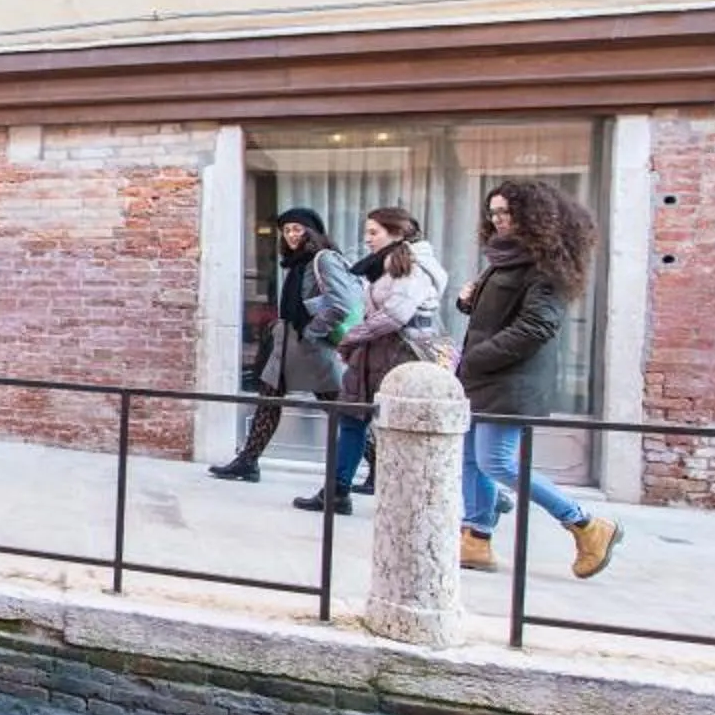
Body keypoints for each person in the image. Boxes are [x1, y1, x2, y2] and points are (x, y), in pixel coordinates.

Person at [456, 179, 621, 578]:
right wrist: (467, 301)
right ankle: (476, 537)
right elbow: (501, 316)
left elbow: (536, 327)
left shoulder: (545, 266)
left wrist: (476, 359)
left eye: (506, 212)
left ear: (533, 216)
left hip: (511, 380)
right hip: (484, 376)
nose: (498, 219)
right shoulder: (504, 258)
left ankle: (586, 524)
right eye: (494, 212)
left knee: (497, 462)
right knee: (471, 458)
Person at [296, 207, 444, 516]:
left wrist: (352, 337)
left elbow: (395, 315)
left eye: (374, 232)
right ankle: (336, 491)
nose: (367, 239)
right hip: (372, 353)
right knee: (351, 420)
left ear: (397, 233)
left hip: (401, 355)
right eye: (367, 232)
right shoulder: (383, 265)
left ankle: (439, 496)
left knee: (401, 426)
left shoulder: (413, 267)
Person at [209, 207, 361, 483]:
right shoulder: (295, 262)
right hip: (288, 343)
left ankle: (378, 463)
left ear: (311, 231)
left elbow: (342, 303)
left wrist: (313, 331)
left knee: (341, 409)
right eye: (287, 230)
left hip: (311, 348)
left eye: (297, 229)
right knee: (268, 400)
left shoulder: (323, 259)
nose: (291, 235)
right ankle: (248, 461)